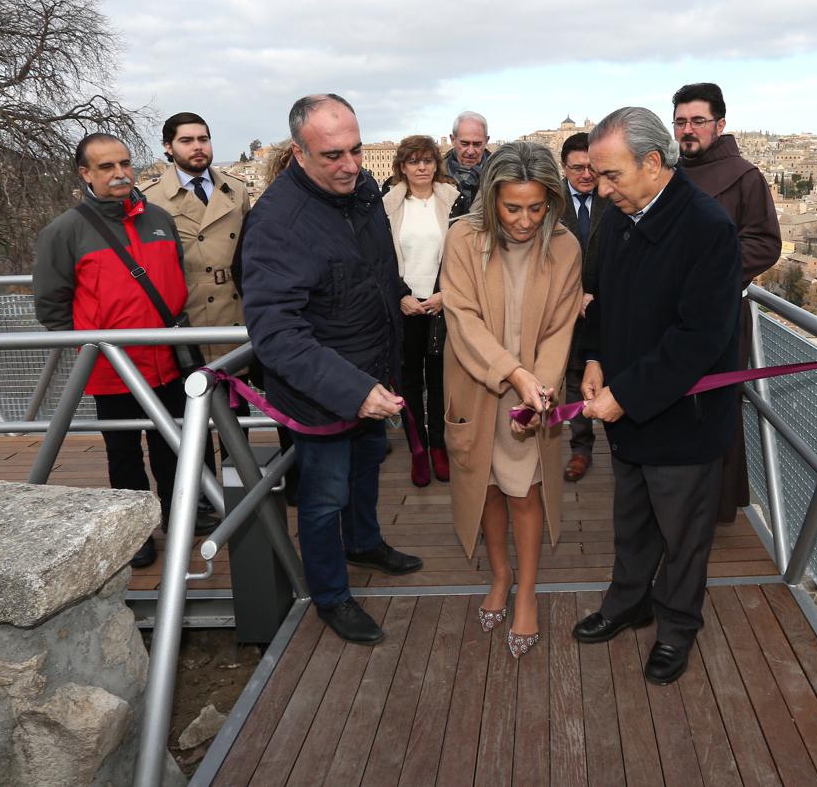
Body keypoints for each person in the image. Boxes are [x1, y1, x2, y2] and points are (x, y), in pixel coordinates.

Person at [240, 94, 423, 645]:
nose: (350, 165)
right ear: (298, 153)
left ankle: (364, 544)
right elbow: (275, 334)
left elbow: (373, 268)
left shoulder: (362, 190)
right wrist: (352, 389)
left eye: (357, 150)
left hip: (372, 373)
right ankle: (330, 595)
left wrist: (402, 298)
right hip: (320, 392)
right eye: (333, 155)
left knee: (367, 466)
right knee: (324, 497)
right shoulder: (277, 223)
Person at [573, 108, 741, 686]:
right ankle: (627, 604)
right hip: (628, 410)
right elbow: (600, 298)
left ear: (652, 163)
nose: (602, 187)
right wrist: (594, 358)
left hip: (683, 420)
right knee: (632, 522)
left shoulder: (707, 228)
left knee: (683, 535)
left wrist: (627, 393)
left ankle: (676, 628)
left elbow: (701, 338)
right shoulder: (619, 215)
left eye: (612, 174)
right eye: (597, 175)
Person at [33, 134, 212, 569]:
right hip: (114, 368)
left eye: (125, 164)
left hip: (170, 360)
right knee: (124, 453)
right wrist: (91, 344)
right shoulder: (65, 230)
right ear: (85, 174)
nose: (119, 174)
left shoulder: (158, 218)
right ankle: (135, 534)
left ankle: (179, 518)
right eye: (107, 167)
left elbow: (175, 283)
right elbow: (51, 305)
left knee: (174, 447)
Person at [440, 140, 582, 659]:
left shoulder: (565, 246)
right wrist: (514, 374)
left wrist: (536, 386)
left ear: (552, 202)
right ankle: (500, 574)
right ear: (492, 199)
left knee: (527, 490)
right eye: (513, 207)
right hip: (477, 386)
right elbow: (462, 318)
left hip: (533, 395)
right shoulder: (462, 237)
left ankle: (527, 590)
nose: (524, 221)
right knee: (487, 487)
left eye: (536, 207)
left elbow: (562, 326)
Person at [672, 82, 782, 524]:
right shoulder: (669, 172)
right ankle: (675, 499)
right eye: (680, 121)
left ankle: (713, 507)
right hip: (669, 316)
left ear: (720, 124)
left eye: (697, 121)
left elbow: (764, 244)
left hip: (719, 317)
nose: (688, 130)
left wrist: (705, 274)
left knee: (717, 408)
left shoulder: (745, 176)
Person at [381, 135, 459, 486]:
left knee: (441, 381)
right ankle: (417, 449)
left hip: (443, 305)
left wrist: (446, 293)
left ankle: (439, 447)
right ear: (402, 167)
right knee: (409, 382)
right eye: (414, 161)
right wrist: (401, 296)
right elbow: (380, 260)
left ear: (436, 164)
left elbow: (466, 256)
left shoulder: (454, 201)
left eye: (427, 160)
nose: (422, 167)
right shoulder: (389, 206)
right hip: (407, 306)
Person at [142, 112, 250, 363]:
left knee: (237, 393)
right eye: (187, 140)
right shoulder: (151, 198)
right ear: (168, 147)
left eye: (203, 139)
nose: (198, 147)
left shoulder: (237, 189)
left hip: (236, 308)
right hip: (188, 312)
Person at [559, 131, 608, 482]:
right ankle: (581, 450)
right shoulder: (550, 203)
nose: (586, 175)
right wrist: (574, 292)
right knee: (575, 376)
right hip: (565, 305)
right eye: (577, 168)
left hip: (610, 302)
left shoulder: (614, 197)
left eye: (592, 167)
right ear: (564, 168)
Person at [445, 111, 490, 211]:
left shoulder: (500, 174)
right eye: (464, 144)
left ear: (486, 141)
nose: (470, 151)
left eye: (477, 144)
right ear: (453, 140)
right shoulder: (433, 174)